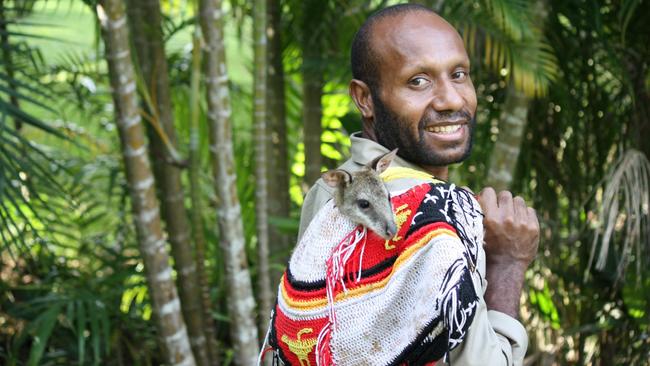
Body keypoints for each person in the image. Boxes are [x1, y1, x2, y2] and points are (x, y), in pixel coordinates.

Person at [265, 4, 539, 366]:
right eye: (418, 81)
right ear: (365, 98)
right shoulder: (438, 212)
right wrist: (508, 264)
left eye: (459, 74)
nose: (452, 99)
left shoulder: (329, 193)